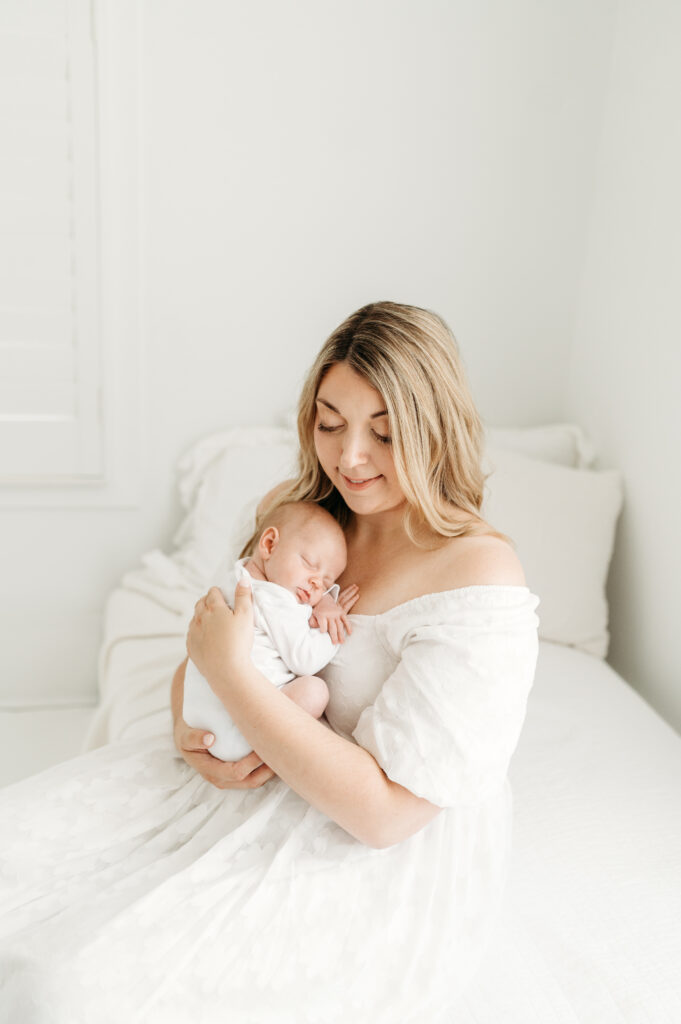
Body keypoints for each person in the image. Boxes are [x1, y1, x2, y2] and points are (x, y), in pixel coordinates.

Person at [0, 301, 539, 1023]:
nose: (349, 457)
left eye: (382, 431)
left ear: (432, 428)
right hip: (246, 776)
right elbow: (217, 648)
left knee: (68, 988)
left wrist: (227, 679)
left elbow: (383, 817)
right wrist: (194, 739)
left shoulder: (478, 574)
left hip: (363, 844)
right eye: (329, 423)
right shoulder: (299, 519)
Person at [182, 500, 360, 761]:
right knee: (314, 690)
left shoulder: (239, 578)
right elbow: (305, 659)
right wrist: (332, 625)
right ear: (269, 544)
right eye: (310, 564)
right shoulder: (274, 597)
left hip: (201, 721)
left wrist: (321, 599)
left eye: (327, 582)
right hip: (241, 730)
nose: (315, 584)